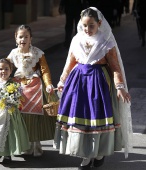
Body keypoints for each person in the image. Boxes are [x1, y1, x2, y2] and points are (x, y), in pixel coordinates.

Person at [53, 7, 133, 170]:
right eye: (84, 25)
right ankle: (85, 157)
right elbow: (70, 63)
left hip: (99, 84)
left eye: (91, 25)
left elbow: (115, 67)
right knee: (79, 119)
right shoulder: (77, 40)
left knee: (96, 119)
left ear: (99, 24)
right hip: (78, 84)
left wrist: (120, 87)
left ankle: (98, 153)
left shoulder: (106, 41)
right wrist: (62, 81)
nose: (87, 29)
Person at [0, 25, 58, 157]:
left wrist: (49, 84)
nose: (23, 39)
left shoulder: (38, 53)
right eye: (20, 37)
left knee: (35, 118)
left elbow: (44, 71)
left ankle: (35, 146)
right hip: (18, 88)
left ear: (31, 39)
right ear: (16, 38)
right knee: (19, 117)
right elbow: (3, 66)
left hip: (35, 86)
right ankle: (23, 144)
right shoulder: (13, 53)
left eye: (26, 36)